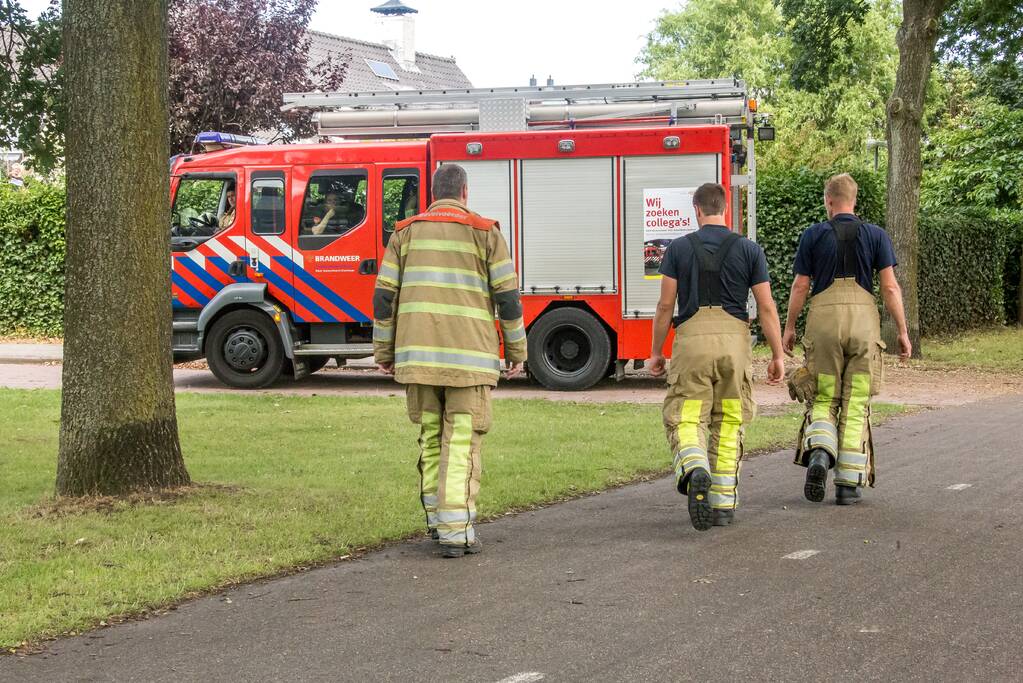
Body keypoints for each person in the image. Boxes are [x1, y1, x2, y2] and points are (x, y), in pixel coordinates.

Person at [373, 164, 527, 558]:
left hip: (418, 360)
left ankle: (435, 522)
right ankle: (456, 530)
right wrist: (516, 351)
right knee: (460, 442)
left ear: (434, 193)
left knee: (429, 439)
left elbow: (384, 297)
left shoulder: (404, 233)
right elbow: (507, 298)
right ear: (464, 192)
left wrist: (384, 351)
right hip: (469, 362)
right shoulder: (484, 232)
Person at [649, 183, 785, 531]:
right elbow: (767, 307)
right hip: (734, 344)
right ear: (726, 209)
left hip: (692, 342)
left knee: (688, 417)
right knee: (728, 422)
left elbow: (666, 305)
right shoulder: (749, 250)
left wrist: (656, 352)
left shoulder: (678, 249)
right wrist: (777, 355)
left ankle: (695, 469)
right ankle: (722, 506)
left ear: (696, 210)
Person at [782, 173, 911, 505]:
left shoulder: (813, 235)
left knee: (824, 398)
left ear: (828, 200)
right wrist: (902, 331)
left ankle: (821, 452)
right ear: (854, 201)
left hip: (824, 324)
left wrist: (790, 326)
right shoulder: (876, 235)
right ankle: (847, 486)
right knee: (855, 403)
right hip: (864, 324)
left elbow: (800, 286)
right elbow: (890, 288)